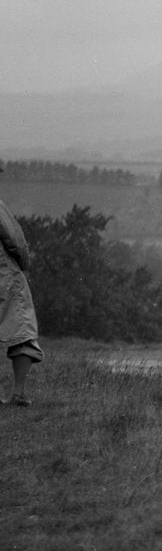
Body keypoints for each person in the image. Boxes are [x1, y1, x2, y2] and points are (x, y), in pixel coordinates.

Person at [0, 167, 43, 407]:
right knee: (22, 332)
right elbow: (15, 240)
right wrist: (23, 264)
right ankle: (18, 393)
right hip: (4, 277)